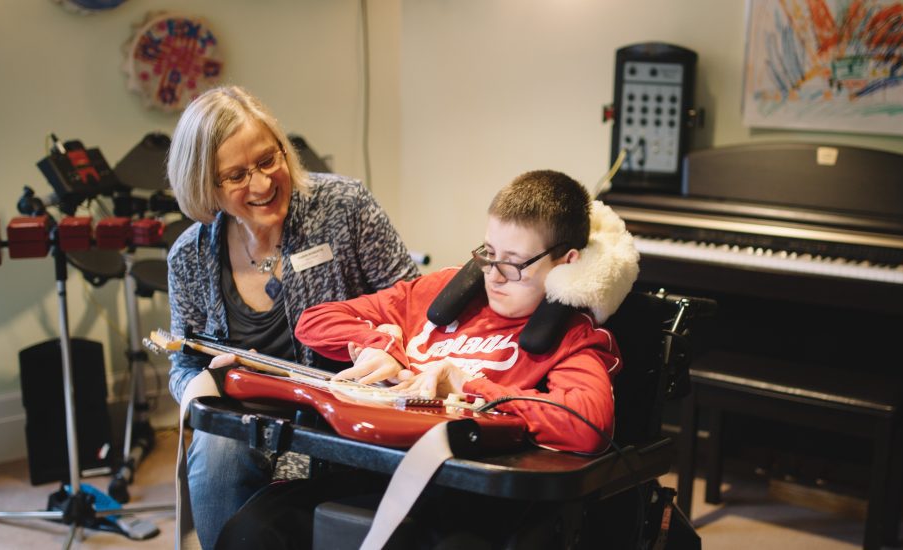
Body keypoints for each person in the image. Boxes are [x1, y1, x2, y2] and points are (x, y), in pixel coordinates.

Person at [165, 85, 419, 549]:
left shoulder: (344, 207)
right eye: (237, 175)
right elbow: (183, 364)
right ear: (206, 185)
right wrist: (203, 385)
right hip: (250, 419)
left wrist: (386, 349)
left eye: (268, 160)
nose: (262, 184)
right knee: (216, 443)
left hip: (347, 412)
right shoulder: (189, 255)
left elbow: (413, 305)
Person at [295, 169, 640, 453]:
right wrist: (380, 348)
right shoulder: (440, 290)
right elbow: (314, 320)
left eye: (514, 264)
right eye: (489, 253)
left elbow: (588, 426)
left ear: (566, 263)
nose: (493, 275)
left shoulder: (572, 336)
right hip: (372, 456)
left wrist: (471, 386)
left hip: (455, 486)